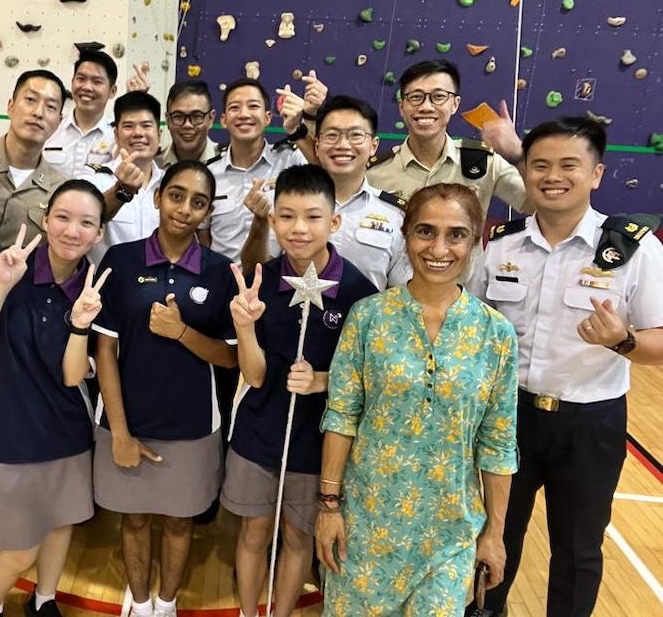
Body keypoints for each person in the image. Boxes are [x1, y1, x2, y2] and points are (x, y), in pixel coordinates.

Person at [467, 116, 663, 617]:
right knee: (494, 534)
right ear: (525, 172)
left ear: (596, 174)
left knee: (577, 549)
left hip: (588, 422)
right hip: (507, 418)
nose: (553, 176)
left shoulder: (635, 249)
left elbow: (659, 340)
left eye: (569, 165)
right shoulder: (502, 243)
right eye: (540, 165)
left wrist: (624, 341)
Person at [317, 183, 520, 616]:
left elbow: (498, 445)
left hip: (451, 531)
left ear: (474, 241)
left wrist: (494, 534)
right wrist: (329, 507)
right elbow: (341, 416)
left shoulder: (494, 333)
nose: (439, 248)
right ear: (406, 236)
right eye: (425, 231)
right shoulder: (369, 316)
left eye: (457, 234)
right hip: (366, 525)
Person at [224, 165, 378, 617]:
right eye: (286, 216)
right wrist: (245, 329)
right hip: (258, 434)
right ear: (273, 221)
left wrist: (322, 381)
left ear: (334, 222)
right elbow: (252, 376)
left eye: (312, 217)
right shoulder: (261, 281)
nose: (298, 228)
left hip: (316, 444)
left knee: (297, 535)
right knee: (253, 533)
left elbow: (369, 380)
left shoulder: (358, 294)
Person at [0, 181, 110, 617]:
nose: (72, 231)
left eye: (86, 223)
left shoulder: (95, 286)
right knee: (19, 548)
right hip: (7, 437)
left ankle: (44, 601)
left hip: (68, 433)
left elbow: (72, 376)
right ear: (45, 219)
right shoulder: (8, 264)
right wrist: (2, 286)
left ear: (99, 233)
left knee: (60, 526)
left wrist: (80, 324)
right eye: (62, 217)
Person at [92, 160, 239, 617]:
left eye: (198, 202)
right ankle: (138, 602)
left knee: (180, 523)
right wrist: (118, 432)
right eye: (176, 196)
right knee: (134, 519)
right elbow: (104, 354)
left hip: (193, 426)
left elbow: (229, 356)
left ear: (208, 211)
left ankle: (167, 603)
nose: (184, 209)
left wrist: (181, 332)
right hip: (127, 421)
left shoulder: (219, 272)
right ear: (157, 197)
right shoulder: (120, 259)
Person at [240, 95, 409, 291]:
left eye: (355, 135)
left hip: (363, 321)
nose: (343, 145)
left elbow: (399, 292)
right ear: (317, 146)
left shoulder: (395, 215)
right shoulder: (282, 203)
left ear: (373, 146)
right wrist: (259, 223)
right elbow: (254, 272)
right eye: (332, 135)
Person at [365, 60, 529, 215]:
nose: (426, 107)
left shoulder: (484, 163)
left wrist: (518, 156)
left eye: (438, 97)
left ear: (455, 104)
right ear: (402, 107)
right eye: (415, 97)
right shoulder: (375, 172)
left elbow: (540, 208)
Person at [201, 78, 307, 265]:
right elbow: (203, 236)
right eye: (234, 108)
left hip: (276, 282)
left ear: (267, 118)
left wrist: (305, 122)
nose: (244, 114)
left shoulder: (289, 161)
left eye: (253, 106)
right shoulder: (208, 174)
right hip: (224, 282)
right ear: (223, 120)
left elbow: (327, 175)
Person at [78, 90, 164, 265]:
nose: (138, 133)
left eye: (146, 126)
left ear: (159, 135)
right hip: (108, 286)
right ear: (116, 135)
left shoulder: (170, 184)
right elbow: (84, 220)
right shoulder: (93, 178)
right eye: (129, 126)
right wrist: (121, 189)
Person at [0, 69, 69, 249]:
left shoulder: (60, 190)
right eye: (30, 100)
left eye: (51, 107)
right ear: (11, 106)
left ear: (59, 121)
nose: (38, 113)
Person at [43, 50, 119, 177]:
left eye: (97, 81)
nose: (87, 87)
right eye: (81, 79)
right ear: (72, 83)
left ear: (112, 91)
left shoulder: (116, 136)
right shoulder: (51, 127)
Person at [156, 80, 219, 168]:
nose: (187, 125)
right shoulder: (154, 166)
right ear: (168, 120)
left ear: (211, 118)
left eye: (196, 116)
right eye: (178, 116)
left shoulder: (224, 162)